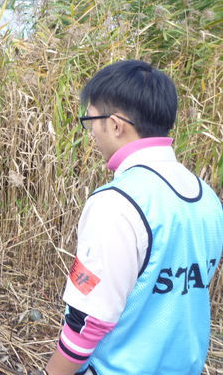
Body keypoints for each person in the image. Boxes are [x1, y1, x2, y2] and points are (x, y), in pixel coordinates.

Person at [44, 60, 223, 375]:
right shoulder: (206, 197)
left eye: (92, 121)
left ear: (115, 124)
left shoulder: (116, 204)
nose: (92, 134)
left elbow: (88, 321)